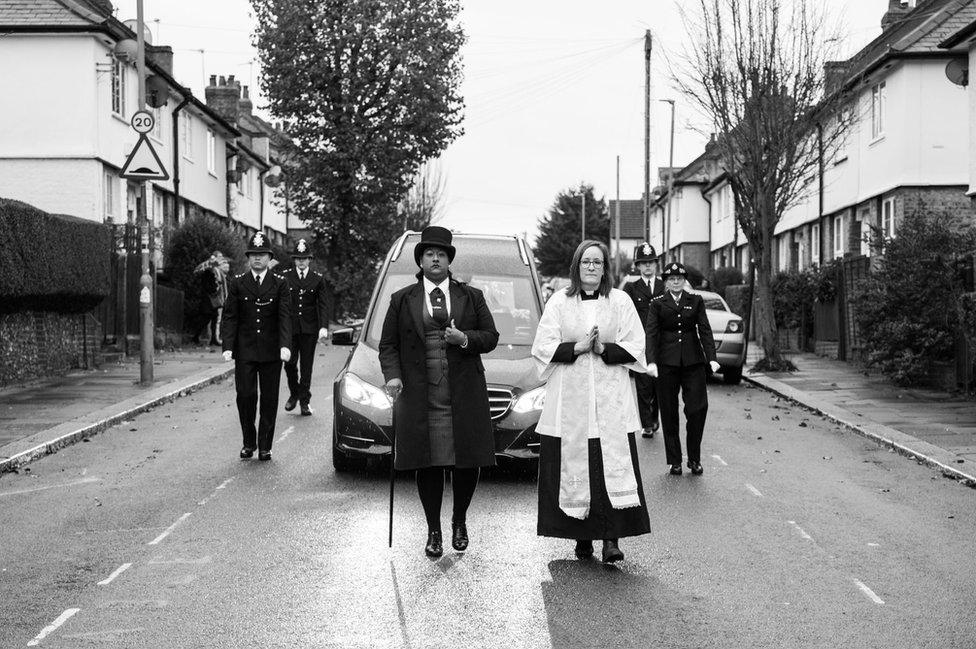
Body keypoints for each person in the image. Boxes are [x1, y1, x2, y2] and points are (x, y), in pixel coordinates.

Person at [378, 226, 499, 558]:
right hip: (420, 395)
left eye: (441, 254)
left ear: (449, 261)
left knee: (465, 461)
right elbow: (388, 346)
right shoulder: (402, 299)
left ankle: (459, 521)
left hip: (463, 391)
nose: (435, 259)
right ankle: (433, 530)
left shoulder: (471, 296)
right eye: (429, 254)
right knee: (427, 463)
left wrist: (464, 340)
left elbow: (490, 336)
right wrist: (393, 377)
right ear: (421, 260)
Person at [531, 239, 650, 564]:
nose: (592, 268)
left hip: (610, 401)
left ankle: (611, 540)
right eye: (586, 262)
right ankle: (581, 538)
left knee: (607, 463)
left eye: (597, 262)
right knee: (575, 462)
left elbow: (637, 345)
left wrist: (603, 350)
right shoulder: (559, 301)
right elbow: (542, 345)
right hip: (571, 399)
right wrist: (578, 347)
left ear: (605, 268)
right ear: (576, 266)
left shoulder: (620, 301)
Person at [221, 232, 292, 461]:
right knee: (245, 395)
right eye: (253, 255)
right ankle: (248, 441)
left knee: (269, 398)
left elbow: (284, 317)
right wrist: (228, 345)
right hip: (246, 350)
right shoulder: (239, 283)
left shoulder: (280, 283)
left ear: (269, 257)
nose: (257, 259)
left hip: (271, 350)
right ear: (249, 258)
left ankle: (264, 446)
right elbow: (230, 316)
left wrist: (285, 345)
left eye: (262, 254)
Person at [645, 262, 721, 476]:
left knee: (698, 409)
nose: (676, 282)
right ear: (666, 282)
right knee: (669, 412)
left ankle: (694, 458)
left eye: (679, 278)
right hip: (666, 364)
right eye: (671, 279)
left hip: (693, 362)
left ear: (684, 280)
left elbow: (704, 330)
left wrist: (711, 358)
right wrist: (651, 361)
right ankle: (675, 460)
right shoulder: (657, 303)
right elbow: (651, 333)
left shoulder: (695, 301)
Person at [278, 238, 330, 416]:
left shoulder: (317, 279)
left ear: (309, 259)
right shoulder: (285, 277)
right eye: (298, 258)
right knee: (289, 364)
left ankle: (304, 402)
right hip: (290, 328)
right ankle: (294, 393)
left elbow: (323, 304)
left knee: (307, 366)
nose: (301, 261)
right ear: (294, 260)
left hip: (309, 329)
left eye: (304, 258)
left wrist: (323, 326)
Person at [621, 242, 665, 439]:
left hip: (663, 344)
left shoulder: (665, 286)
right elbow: (627, 317)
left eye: (651, 262)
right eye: (644, 263)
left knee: (659, 384)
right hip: (641, 344)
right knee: (643, 384)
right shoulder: (632, 288)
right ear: (638, 266)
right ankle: (647, 424)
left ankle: (654, 418)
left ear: (656, 264)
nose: (648, 266)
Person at [192, 251, 227, 346]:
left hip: (213, 300)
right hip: (208, 300)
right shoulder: (208, 272)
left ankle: (213, 339)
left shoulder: (216, 272)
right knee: (206, 319)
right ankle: (196, 336)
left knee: (214, 319)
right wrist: (216, 285)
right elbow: (208, 287)